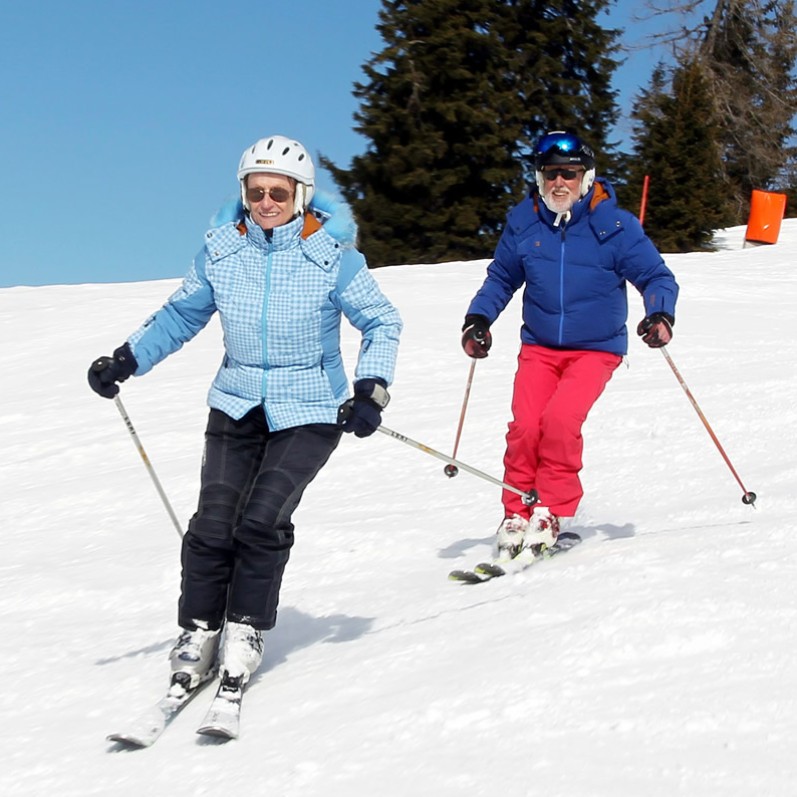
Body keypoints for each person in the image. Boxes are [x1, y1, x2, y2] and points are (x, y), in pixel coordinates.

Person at [88, 135, 402, 695]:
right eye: (255, 192)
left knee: (260, 521)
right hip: (235, 402)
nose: (265, 203)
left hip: (309, 407)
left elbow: (381, 321)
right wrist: (128, 358)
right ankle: (199, 630)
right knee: (211, 525)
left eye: (277, 192)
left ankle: (246, 630)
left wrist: (371, 388)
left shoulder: (333, 257)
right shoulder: (222, 252)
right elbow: (182, 314)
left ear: (301, 194)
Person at [461, 130, 678, 561]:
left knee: (559, 421)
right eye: (551, 174)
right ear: (540, 178)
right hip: (540, 345)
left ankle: (552, 511)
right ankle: (517, 510)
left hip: (596, 348)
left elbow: (657, 277)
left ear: (586, 176)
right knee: (526, 425)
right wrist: (478, 319)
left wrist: (660, 314)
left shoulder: (614, 226)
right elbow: (502, 277)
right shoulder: (524, 222)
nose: (560, 183)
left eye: (570, 174)